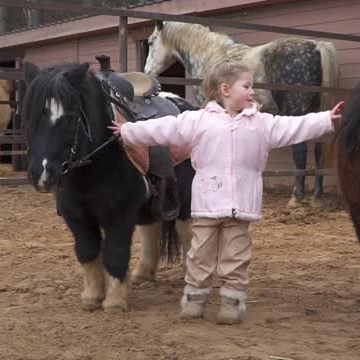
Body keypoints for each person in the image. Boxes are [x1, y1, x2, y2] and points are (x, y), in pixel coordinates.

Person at [109, 61, 344, 324]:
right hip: (208, 205)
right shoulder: (197, 121)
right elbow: (165, 128)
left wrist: (324, 119)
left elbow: (291, 127)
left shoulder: (261, 124)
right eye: (246, 86)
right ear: (225, 89)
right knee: (199, 255)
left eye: (252, 86)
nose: (252, 92)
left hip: (241, 208)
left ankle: (232, 302)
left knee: (236, 256)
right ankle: (195, 299)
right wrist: (129, 130)